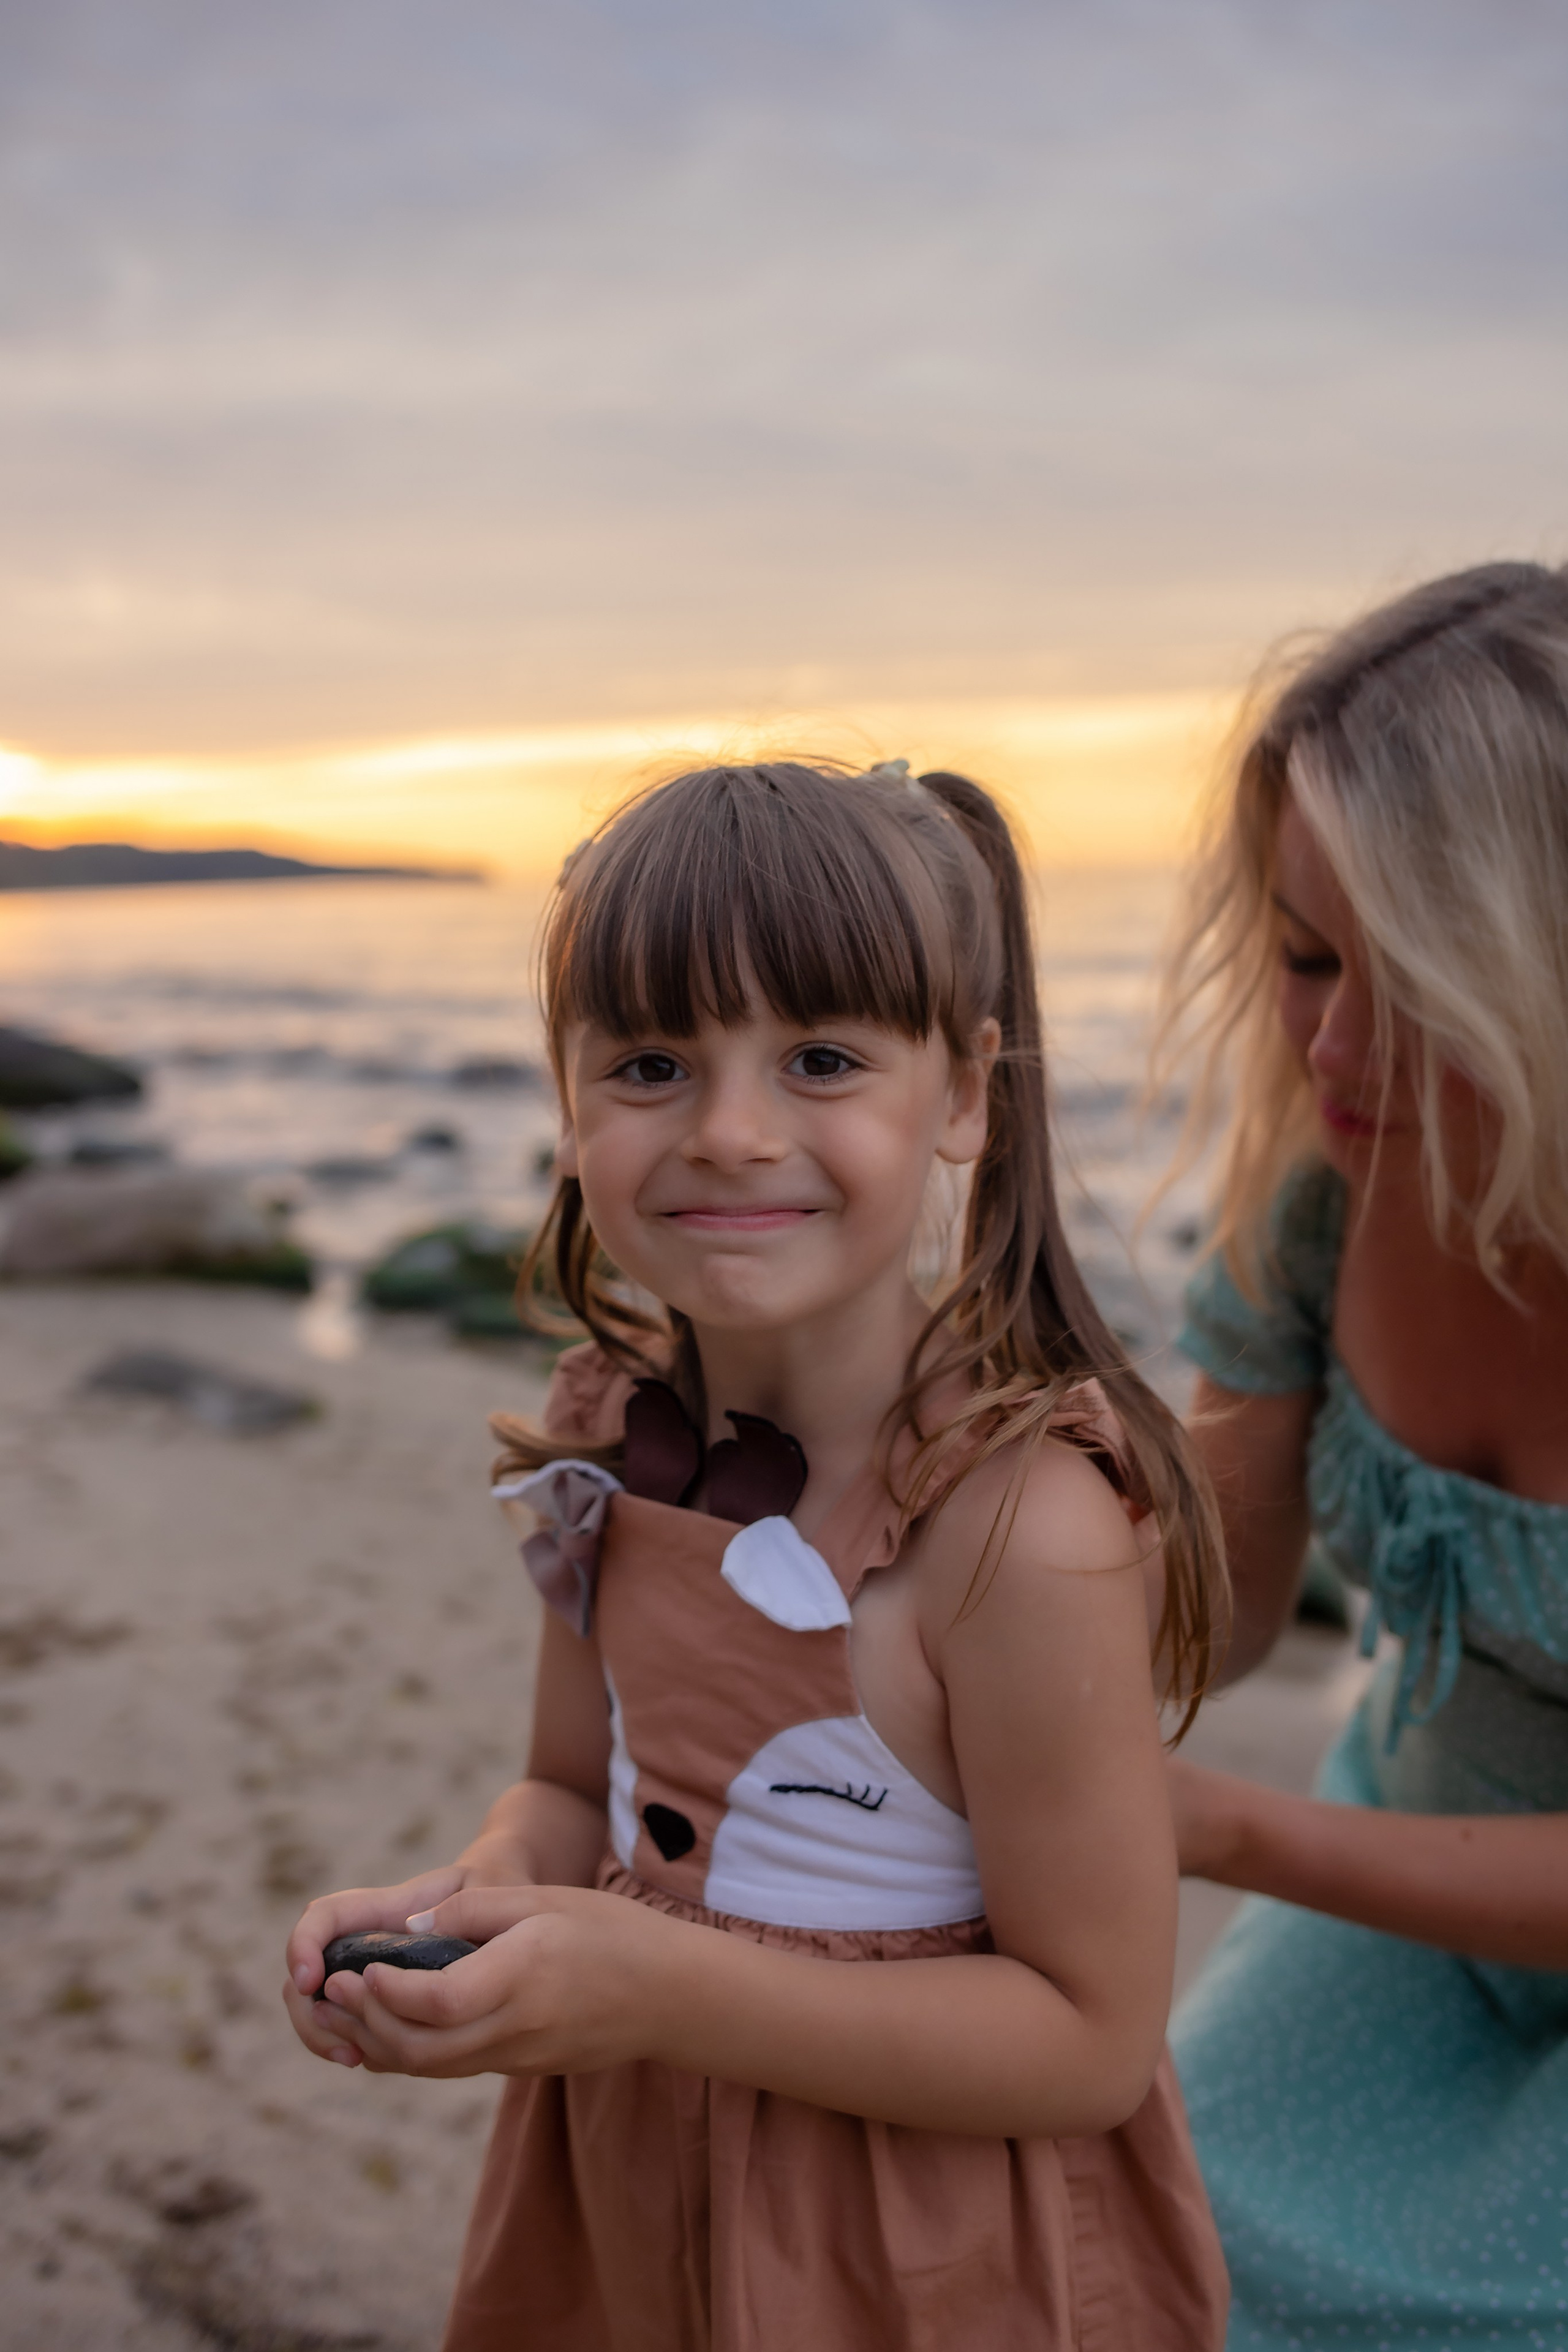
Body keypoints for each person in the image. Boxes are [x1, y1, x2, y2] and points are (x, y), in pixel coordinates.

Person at [284, 759, 1231, 2351]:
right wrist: (470, 1902)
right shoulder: (611, 1456)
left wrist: (654, 1985)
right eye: (653, 1061)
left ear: (965, 1096)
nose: (730, 1132)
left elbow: (1091, 2040)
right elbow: (570, 1791)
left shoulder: (1013, 1527)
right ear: (568, 1097)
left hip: (914, 2242)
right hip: (635, 2175)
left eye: (819, 1058)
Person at [1158, 563, 1568, 2348]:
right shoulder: (1326, 1207)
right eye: (1305, 955)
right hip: (1408, 1884)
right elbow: (1208, 1623)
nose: (1325, 1043)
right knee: (1143, 2229)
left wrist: (1219, 1827)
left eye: (1407, 980)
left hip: (1366, 1865)